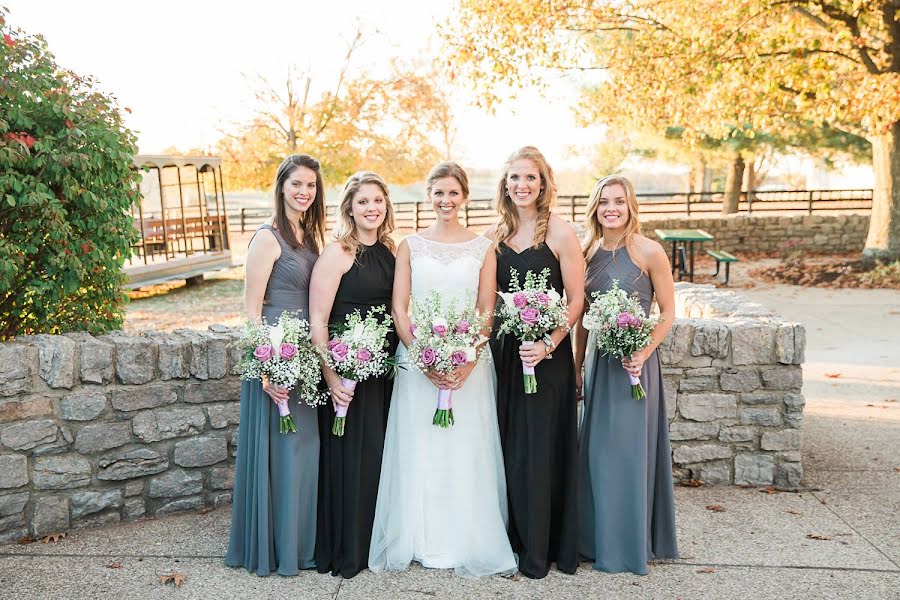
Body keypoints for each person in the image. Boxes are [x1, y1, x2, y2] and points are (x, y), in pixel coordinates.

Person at [369, 162, 516, 577]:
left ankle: (464, 537)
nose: (446, 201)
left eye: (453, 193)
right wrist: (423, 356)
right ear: (428, 196)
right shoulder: (410, 245)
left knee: (465, 449)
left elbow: (487, 311)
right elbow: (400, 308)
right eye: (438, 193)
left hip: (470, 364)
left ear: (465, 197)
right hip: (419, 362)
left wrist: (467, 357)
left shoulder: (483, 247)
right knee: (421, 448)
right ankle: (420, 536)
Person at [225, 154, 327, 576]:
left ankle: (299, 542)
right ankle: (274, 547)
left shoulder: (311, 235)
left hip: (305, 353)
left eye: (311, 186)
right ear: (281, 186)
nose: (304, 192)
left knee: (305, 449)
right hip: (275, 353)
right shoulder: (268, 238)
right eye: (296, 184)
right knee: (280, 449)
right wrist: (265, 367)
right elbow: (250, 310)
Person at [487, 146, 583, 579]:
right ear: (504, 185)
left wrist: (548, 342)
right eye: (514, 178)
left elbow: (576, 300)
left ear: (543, 184)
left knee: (542, 447)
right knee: (510, 446)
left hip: (549, 358)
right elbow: (486, 303)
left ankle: (543, 547)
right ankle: (513, 539)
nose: (521, 185)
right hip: (507, 356)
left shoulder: (561, 233)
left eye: (529, 178)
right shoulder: (495, 235)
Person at [575, 175, 679, 575]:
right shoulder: (587, 252)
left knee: (629, 455)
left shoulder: (649, 251)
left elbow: (668, 312)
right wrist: (577, 367)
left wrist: (642, 350)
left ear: (631, 205)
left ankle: (629, 546)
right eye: (604, 202)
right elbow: (583, 320)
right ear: (595, 208)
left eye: (619, 201)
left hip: (635, 364)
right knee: (598, 454)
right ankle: (594, 540)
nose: (611, 208)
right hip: (600, 363)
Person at [309, 171, 397, 579]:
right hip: (347, 373)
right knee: (348, 459)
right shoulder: (338, 253)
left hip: (383, 373)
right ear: (349, 207)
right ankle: (345, 547)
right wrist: (331, 377)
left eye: (378, 200)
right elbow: (318, 320)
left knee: (378, 457)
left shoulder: (392, 252)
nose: (372, 208)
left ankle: (370, 543)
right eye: (363, 201)